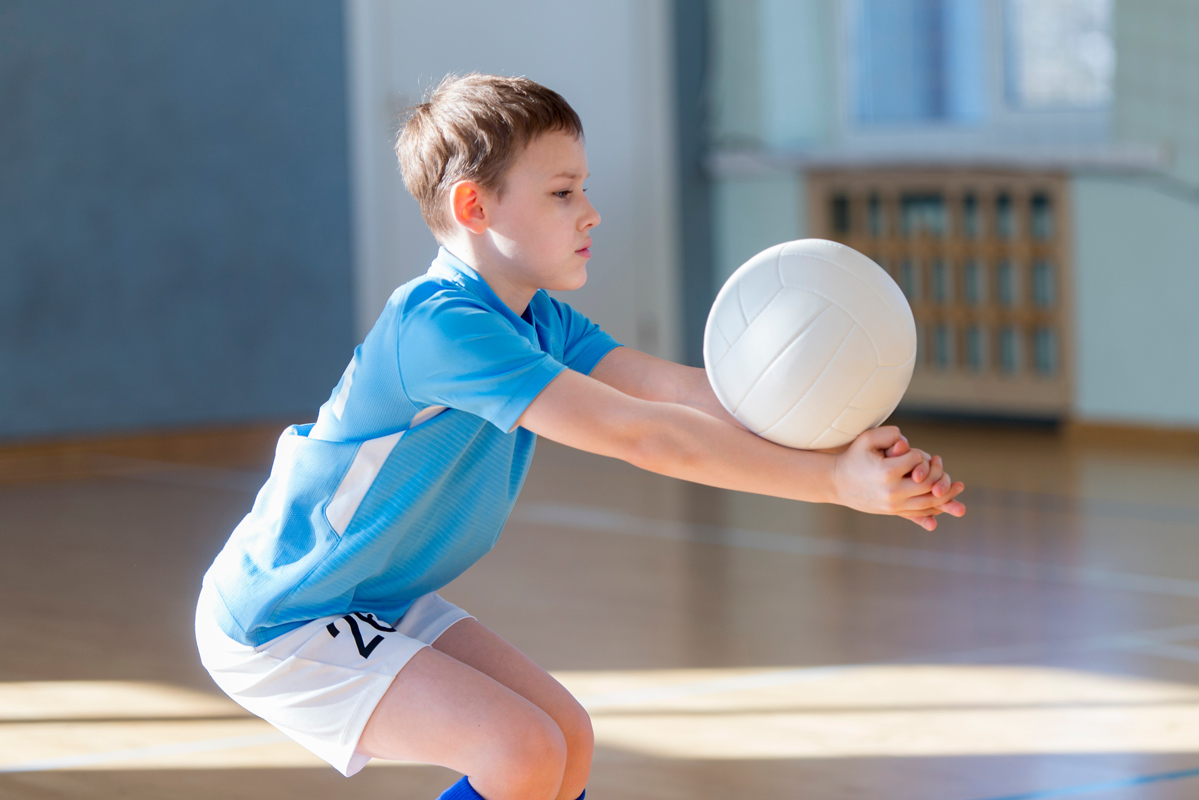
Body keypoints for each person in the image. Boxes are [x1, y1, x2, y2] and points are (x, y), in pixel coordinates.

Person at [195, 73, 966, 800]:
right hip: (284, 613)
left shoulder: (538, 319)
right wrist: (833, 485)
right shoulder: (441, 327)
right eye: (562, 192)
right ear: (475, 208)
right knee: (517, 750)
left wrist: (850, 454)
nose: (590, 211)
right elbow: (648, 435)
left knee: (564, 736)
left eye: (584, 187)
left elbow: (686, 393)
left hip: (374, 595)